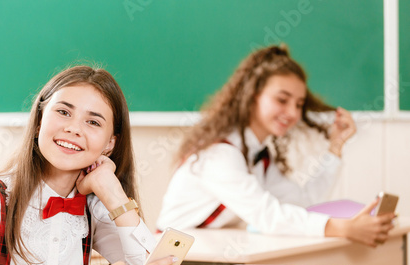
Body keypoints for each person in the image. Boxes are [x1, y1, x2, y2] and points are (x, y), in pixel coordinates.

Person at [0, 65, 177, 265]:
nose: (73, 128)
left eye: (93, 122)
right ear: (39, 121)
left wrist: (113, 193)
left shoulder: (95, 206)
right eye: (63, 112)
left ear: (109, 144)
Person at [157, 45, 395, 251]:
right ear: (252, 96)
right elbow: (267, 216)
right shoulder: (218, 154)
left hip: (207, 260)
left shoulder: (258, 156)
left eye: (299, 104)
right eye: (282, 100)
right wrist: (343, 228)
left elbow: (301, 201)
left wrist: (336, 146)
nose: (292, 113)